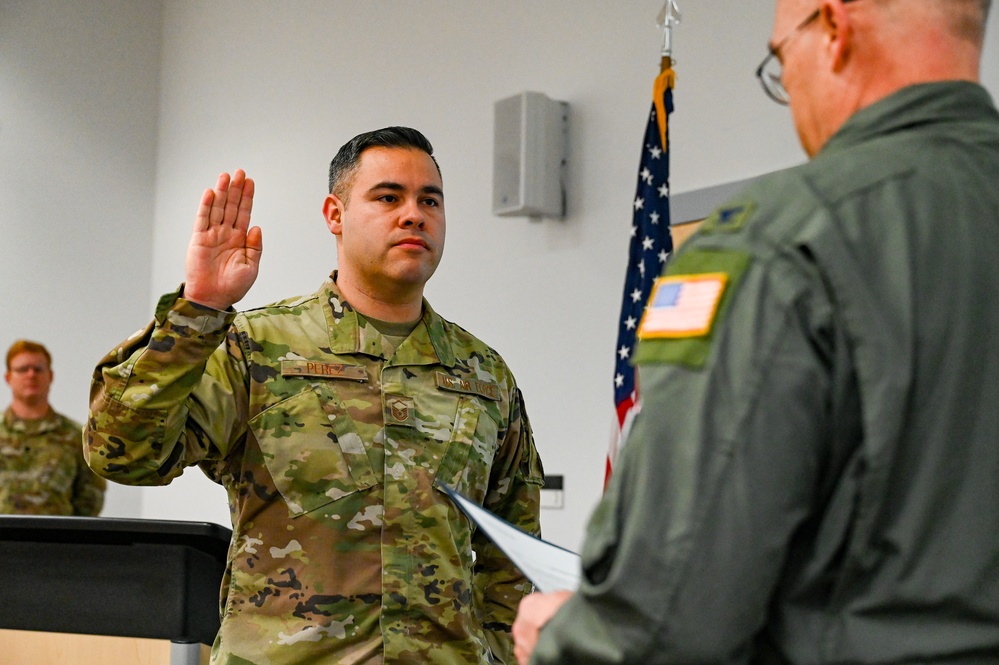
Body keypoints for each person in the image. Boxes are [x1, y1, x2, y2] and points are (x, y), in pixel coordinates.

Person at [513, 0, 999, 663]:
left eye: (779, 61)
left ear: (832, 29)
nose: (787, 88)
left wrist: (565, 639)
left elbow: (663, 627)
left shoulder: (777, 244)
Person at [85, 127, 544, 664]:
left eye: (430, 200)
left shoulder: (483, 374)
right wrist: (197, 311)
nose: (414, 214)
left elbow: (513, 550)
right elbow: (124, 455)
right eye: (388, 197)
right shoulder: (258, 347)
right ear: (335, 214)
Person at [2, 339, 105, 515]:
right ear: (8, 378)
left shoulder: (77, 437)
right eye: (22, 369)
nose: (31, 375)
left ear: (50, 376)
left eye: (38, 369)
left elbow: (90, 500)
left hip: (56, 540)